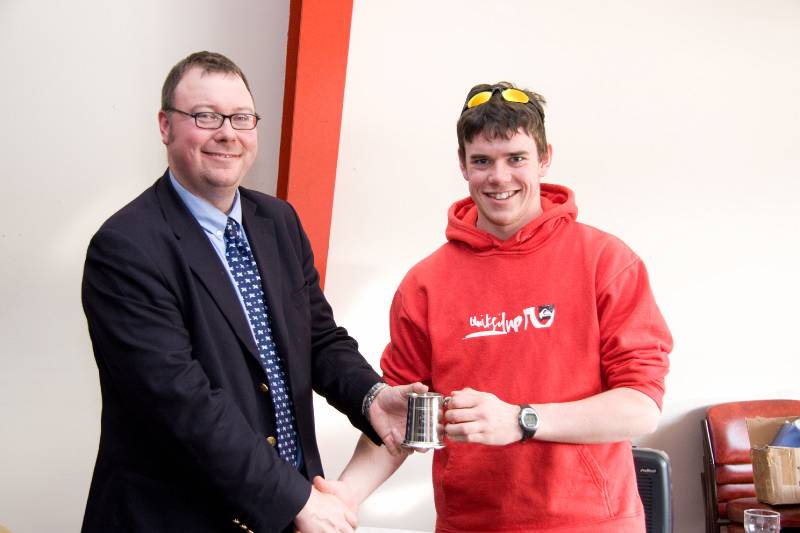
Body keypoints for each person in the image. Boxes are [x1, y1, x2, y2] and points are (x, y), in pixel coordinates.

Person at [80, 51, 423, 533]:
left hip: (286, 512)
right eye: (205, 116)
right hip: (178, 518)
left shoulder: (277, 222)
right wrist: (296, 499)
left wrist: (370, 397)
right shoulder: (126, 248)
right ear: (165, 125)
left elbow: (318, 339)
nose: (227, 133)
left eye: (241, 118)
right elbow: (181, 403)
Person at [315, 82, 673, 533]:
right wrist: (344, 495)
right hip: (471, 524)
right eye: (482, 161)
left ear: (544, 158)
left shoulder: (606, 261)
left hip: (593, 523)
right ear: (463, 166)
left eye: (515, 158)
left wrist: (521, 419)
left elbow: (641, 406)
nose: (498, 177)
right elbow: (401, 417)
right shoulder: (425, 284)